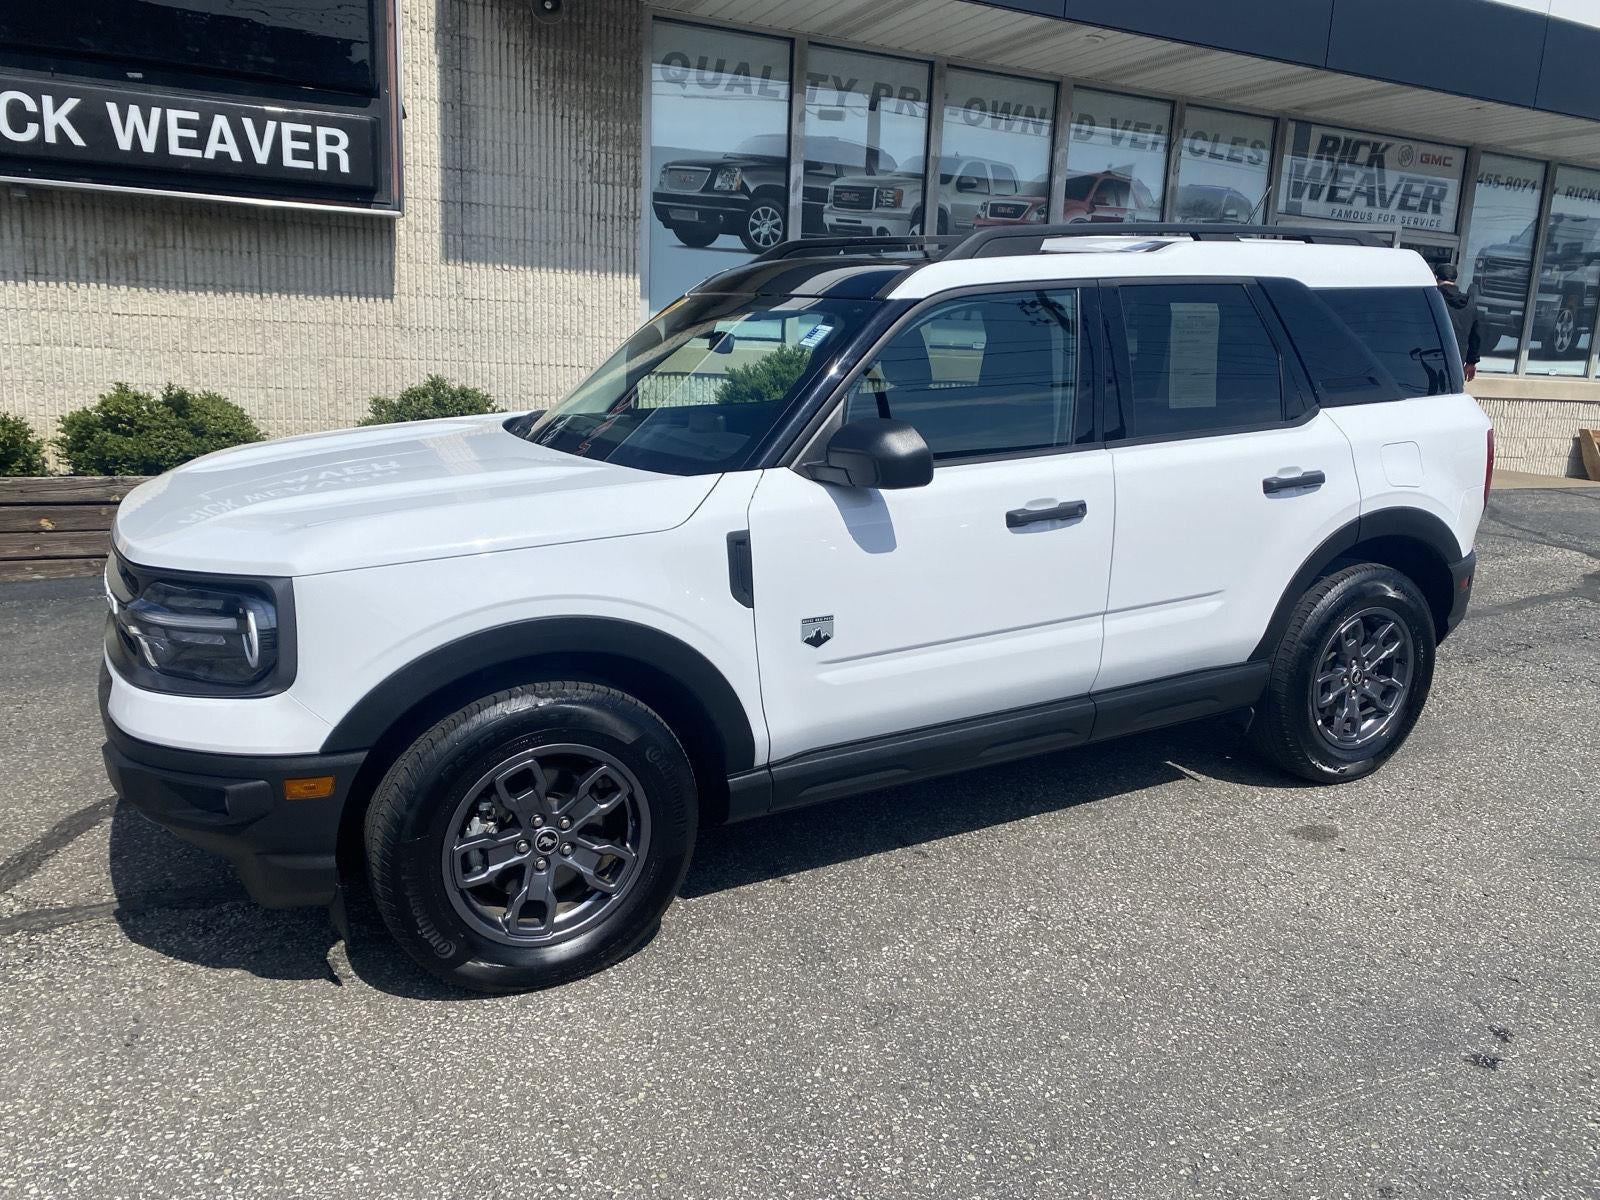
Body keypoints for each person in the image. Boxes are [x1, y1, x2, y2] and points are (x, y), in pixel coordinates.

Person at [1435, 262, 1481, 381]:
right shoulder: (1470, 304)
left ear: (1436, 277)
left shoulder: (1434, 300)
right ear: (1455, 280)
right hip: (1457, 362)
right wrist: (1471, 362)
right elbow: (1475, 337)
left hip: (1432, 360)